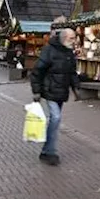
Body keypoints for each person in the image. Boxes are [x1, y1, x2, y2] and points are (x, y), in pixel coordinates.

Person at [31, 28, 81, 166]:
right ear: (64, 38)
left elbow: (71, 72)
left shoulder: (69, 52)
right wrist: (36, 91)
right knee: (56, 118)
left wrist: (76, 87)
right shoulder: (49, 50)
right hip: (50, 90)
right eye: (72, 38)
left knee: (54, 120)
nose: (74, 41)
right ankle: (51, 152)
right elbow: (38, 70)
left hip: (61, 92)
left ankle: (46, 151)